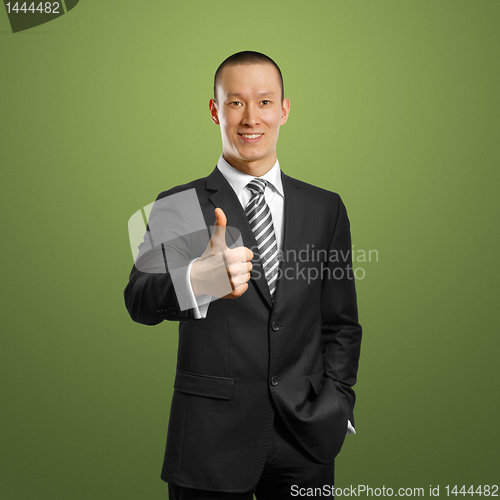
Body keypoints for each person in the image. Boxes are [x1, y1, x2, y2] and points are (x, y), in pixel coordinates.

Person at [124, 51, 362, 499]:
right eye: (235, 103)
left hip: (306, 438)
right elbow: (137, 298)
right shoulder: (178, 203)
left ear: (284, 110)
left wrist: (338, 404)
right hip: (209, 442)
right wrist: (198, 279)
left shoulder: (325, 207)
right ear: (214, 110)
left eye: (265, 102)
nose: (250, 117)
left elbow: (341, 323)